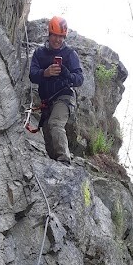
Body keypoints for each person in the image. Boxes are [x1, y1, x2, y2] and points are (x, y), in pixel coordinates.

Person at [29, 16, 84, 166]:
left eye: (61, 37)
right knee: (47, 132)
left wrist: (67, 74)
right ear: (49, 34)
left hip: (64, 96)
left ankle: (64, 160)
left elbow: (79, 79)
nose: (58, 40)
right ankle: (55, 164)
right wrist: (45, 73)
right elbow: (32, 75)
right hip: (47, 101)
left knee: (55, 123)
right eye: (55, 36)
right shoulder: (39, 53)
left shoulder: (70, 54)